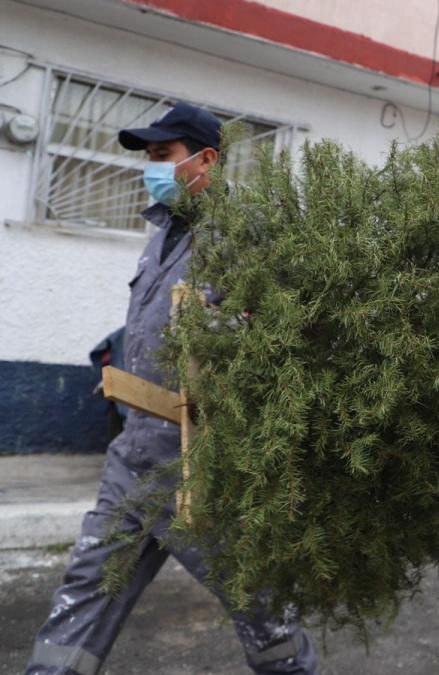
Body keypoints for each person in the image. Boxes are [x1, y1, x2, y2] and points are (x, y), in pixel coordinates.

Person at [25, 103, 318, 675]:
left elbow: (280, 339)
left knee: (263, 613)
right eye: (149, 158)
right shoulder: (160, 233)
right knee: (85, 590)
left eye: (163, 155)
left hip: (204, 467)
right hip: (135, 459)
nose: (151, 168)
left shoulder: (243, 236)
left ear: (206, 159)